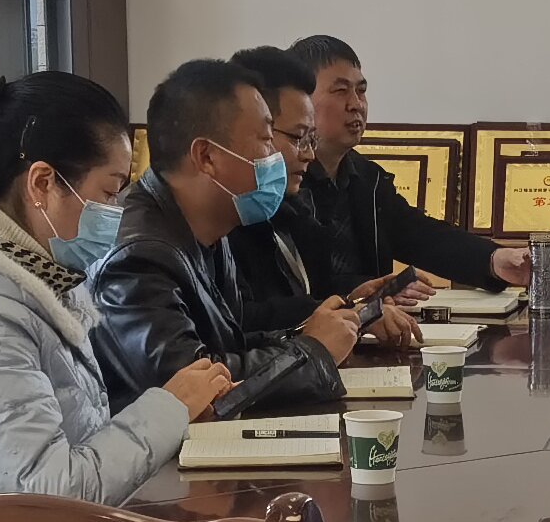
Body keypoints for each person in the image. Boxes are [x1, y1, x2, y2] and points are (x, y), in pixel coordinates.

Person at [0, 66, 229, 507]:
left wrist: (171, 416)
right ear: (43, 183)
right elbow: (46, 496)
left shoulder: (34, 280)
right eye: (110, 192)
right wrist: (170, 410)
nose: (118, 211)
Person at [87, 58, 357, 416]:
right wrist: (312, 352)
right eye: (266, 141)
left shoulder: (212, 227)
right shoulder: (138, 257)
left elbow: (230, 343)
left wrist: (305, 333)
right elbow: (196, 386)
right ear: (207, 156)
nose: (275, 158)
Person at [287, 36, 535, 292]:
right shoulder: (282, 183)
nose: (357, 104)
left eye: (361, 91)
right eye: (341, 91)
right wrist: (370, 291)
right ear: (300, 100)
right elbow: (291, 285)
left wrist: (494, 260)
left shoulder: (366, 178)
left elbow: (421, 236)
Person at [226, 46, 419, 348]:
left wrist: (351, 298)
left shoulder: (289, 207)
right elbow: (237, 320)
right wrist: (346, 312)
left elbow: (309, 289)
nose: (308, 155)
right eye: (298, 138)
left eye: (311, 139)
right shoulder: (215, 222)